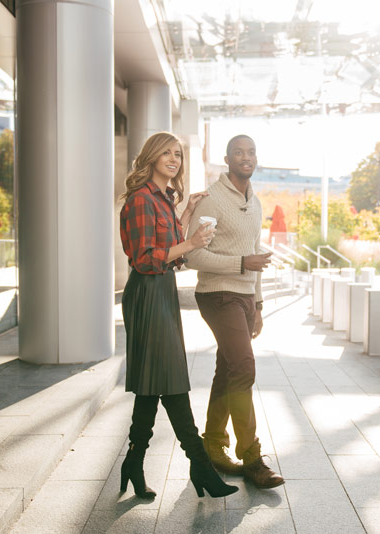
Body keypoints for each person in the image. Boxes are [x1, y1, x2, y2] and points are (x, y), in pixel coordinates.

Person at [118, 131, 237, 499]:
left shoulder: (162, 199)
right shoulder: (141, 199)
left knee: (154, 384)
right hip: (147, 292)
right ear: (151, 157)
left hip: (161, 292)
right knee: (170, 380)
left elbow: (168, 249)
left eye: (178, 154)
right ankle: (200, 465)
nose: (174, 159)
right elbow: (145, 258)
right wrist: (193, 242)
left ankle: (133, 462)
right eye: (166, 153)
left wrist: (185, 216)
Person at [185, 135, 284, 489]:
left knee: (228, 369)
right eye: (239, 152)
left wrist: (257, 303)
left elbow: (254, 252)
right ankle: (252, 457)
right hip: (217, 294)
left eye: (251, 152)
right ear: (226, 159)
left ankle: (212, 445)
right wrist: (243, 264)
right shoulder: (211, 199)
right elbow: (194, 257)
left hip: (243, 298)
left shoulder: (254, 201)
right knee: (244, 367)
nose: (246, 157)